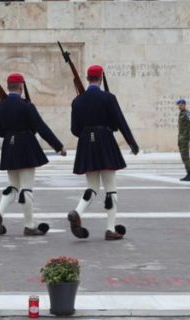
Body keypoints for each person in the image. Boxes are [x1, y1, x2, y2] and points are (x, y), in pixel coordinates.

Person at [67, 65, 139, 241]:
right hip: (105, 141)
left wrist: (87, 133)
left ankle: (78, 211)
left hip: (86, 143)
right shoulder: (108, 97)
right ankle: (110, 228)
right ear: (101, 78)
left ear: (87, 78)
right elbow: (119, 122)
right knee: (111, 189)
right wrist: (132, 143)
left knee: (92, 187)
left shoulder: (77, 101)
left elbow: (75, 130)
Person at [0, 73, 65, 236]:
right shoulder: (26, 106)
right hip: (25, 145)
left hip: (9, 146)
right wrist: (58, 147)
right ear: (21, 87)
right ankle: (29, 225)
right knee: (27, 188)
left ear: (8, 87)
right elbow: (41, 127)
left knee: (13, 186)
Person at [177, 99, 190, 181]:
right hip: (181, 139)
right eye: (178, 105)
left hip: (185, 139)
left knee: (186, 157)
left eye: (181, 105)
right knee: (184, 157)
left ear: (184, 104)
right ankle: (189, 173)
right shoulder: (181, 113)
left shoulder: (188, 114)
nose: (179, 106)